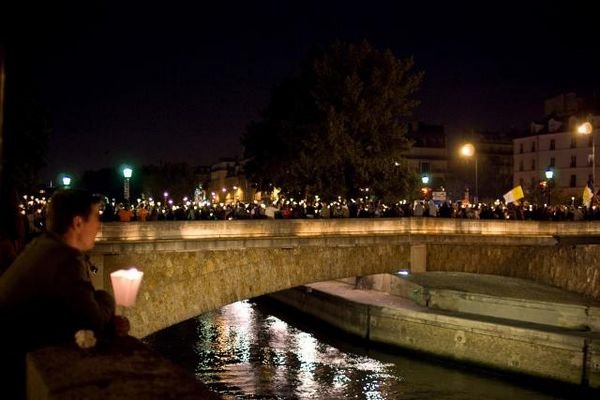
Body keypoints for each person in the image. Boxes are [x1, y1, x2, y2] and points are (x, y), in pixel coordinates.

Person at [0, 189, 130, 398]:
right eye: (96, 217)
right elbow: (93, 319)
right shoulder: (66, 258)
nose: (99, 226)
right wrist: (107, 297)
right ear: (78, 223)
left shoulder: (42, 245)